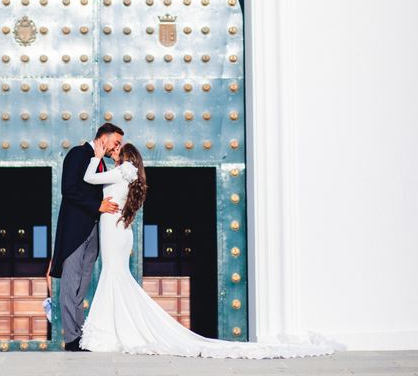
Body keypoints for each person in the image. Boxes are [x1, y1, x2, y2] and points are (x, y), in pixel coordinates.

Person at [78, 140, 345, 359]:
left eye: (116, 151)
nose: (113, 153)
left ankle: (113, 331)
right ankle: (118, 328)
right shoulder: (130, 174)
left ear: (125, 157)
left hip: (113, 229)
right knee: (117, 277)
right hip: (121, 231)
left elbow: (89, 177)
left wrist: (95, 155)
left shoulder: (120, 171)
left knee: (112, 276)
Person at [48, 123, 124, 351]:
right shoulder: (78, 154)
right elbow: (69, 189)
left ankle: (81, 336)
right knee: (70, 286)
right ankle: (72, 339)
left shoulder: (102, 163)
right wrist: (97, 205)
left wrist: (118, 159)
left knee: (82, 287)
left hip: (94, 232)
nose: (117, 147)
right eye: (116, 142)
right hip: (75, 231)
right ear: (104, 137)